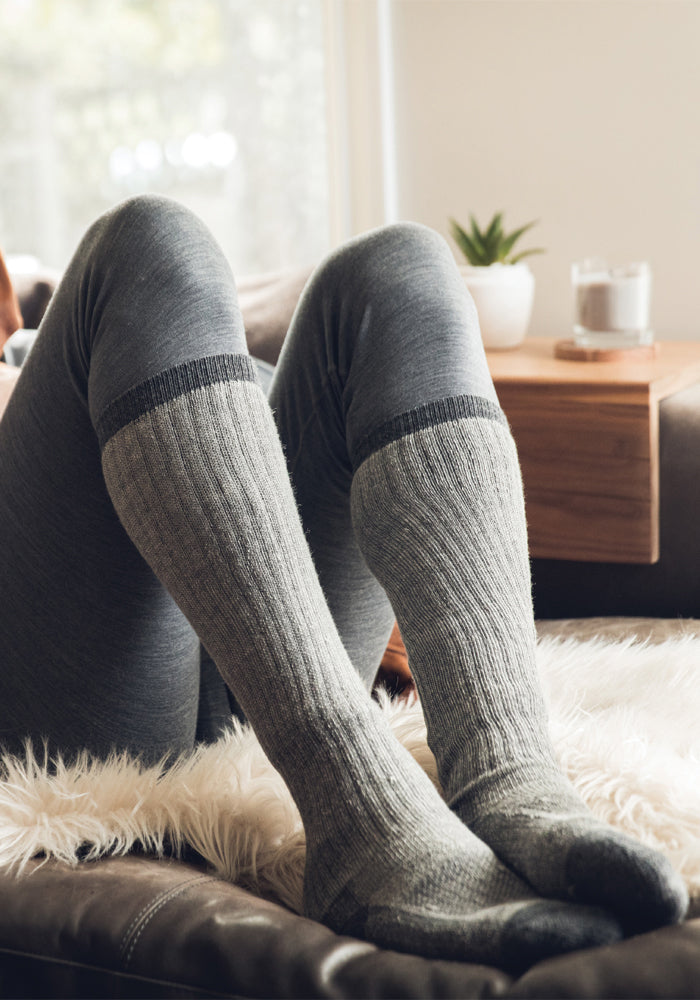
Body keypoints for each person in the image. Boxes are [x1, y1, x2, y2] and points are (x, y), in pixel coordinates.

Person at [0, 196, 687, 972]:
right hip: (57, 674)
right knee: (147, 243)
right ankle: (352, 812)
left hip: (236, 633)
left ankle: (509, 774)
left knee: (403, 269)